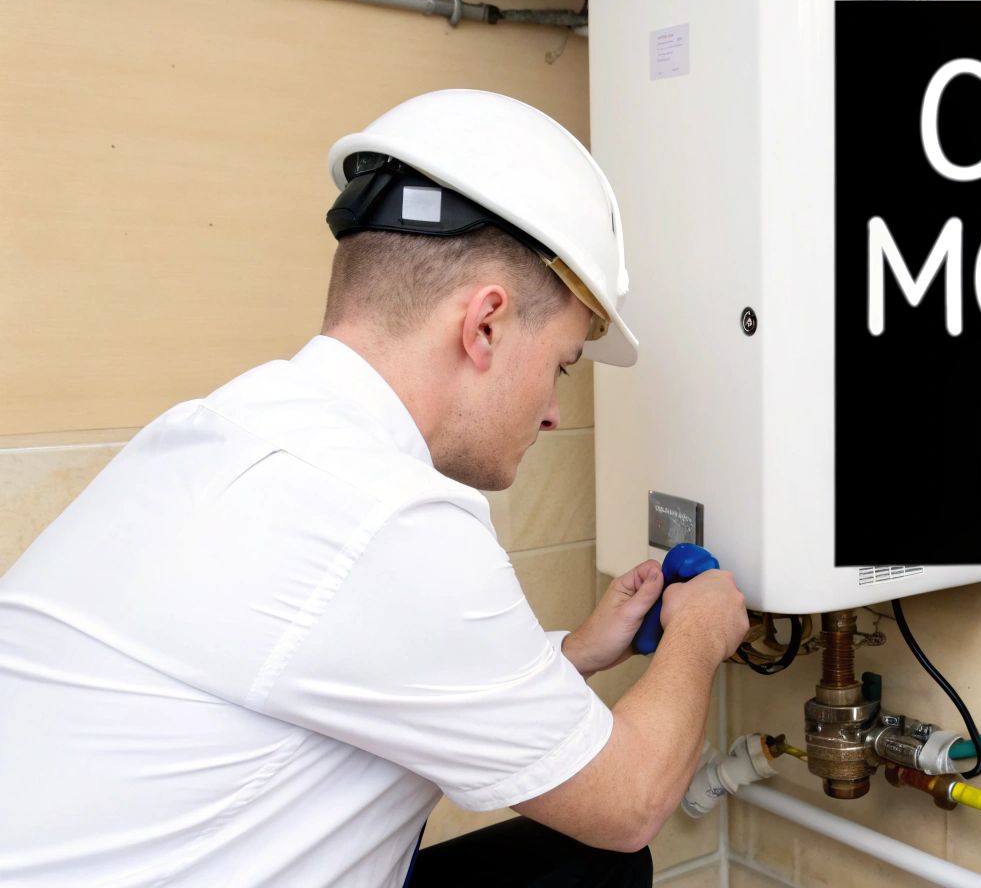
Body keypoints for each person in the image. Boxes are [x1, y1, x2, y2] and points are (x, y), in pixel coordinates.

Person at [0, 90, 750, 887]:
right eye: (561, 365)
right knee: (604, 854)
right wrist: (699, 637)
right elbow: (630, 798)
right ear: (485, 323)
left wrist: (572, 654)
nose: (555, 414)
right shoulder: (383, 517)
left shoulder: (222, 429)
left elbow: (347, 658)